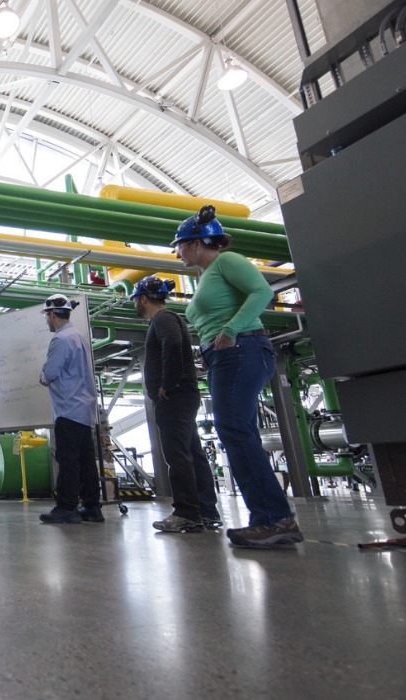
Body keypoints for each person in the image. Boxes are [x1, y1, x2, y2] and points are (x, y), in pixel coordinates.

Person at [173, 205, 303, 547]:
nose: (177, 252)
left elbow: (262, 292)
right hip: (226, 355)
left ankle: (274, 519)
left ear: (198, 242)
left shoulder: (227, 262)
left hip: (242, 348)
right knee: (234, 430)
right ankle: (269, 518)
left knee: (234, 429)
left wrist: (231, 330)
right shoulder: (206, 276)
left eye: (180, 245)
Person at [131, 275, 222, 534]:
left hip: (175, 396)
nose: (135, 304)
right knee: (191, 452)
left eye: (136, 299)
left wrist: (167, 384)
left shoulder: (163, 319)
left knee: (177, 455)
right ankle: (205, 511)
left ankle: (186, 512)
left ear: (144, 298)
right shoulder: (169, 319)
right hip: (183, 396)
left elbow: (172, 344)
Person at [38, 294, 102, 524]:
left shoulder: (61, 340)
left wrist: (42, 376)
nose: (47, 320)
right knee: (86, 461)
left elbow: (50, 373)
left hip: (68, 408)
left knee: (68, 459)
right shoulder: (79, 337)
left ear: (52, 315)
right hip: (84, 409)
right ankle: (92, 507)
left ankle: (66, 507)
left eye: (47, 316)